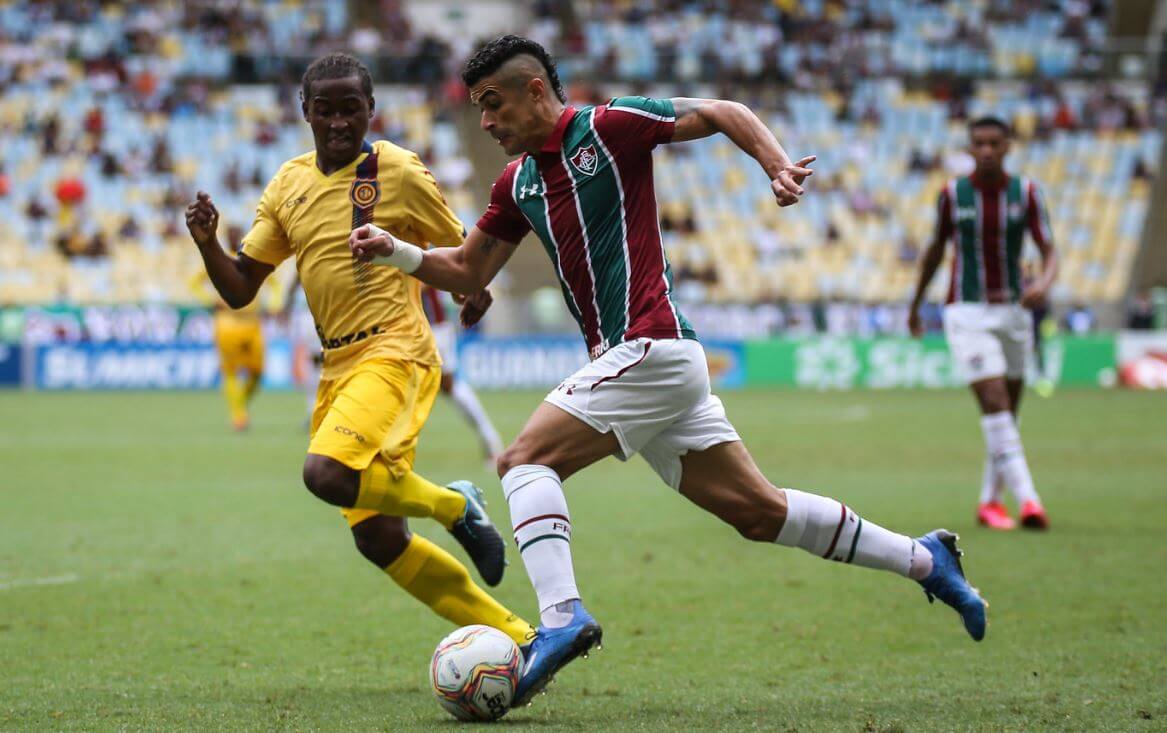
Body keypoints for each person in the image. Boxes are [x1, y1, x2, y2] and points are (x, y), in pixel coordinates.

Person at [350, 35, 987, 708]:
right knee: (757, 510)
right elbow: (470, 270)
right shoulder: (518, 182)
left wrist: (775, 166)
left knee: (523, 462)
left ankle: (562, 617)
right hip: (641, 363)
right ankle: (925, 559)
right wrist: (399, 252)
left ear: (534, 90)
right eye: (477, 108)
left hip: (649, 347)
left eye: (492, 103)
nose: (484, 121)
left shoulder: (608, 127)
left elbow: (720, 110)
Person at [185, 52, 534, 651]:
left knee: (325, 473)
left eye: (352, 109)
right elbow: (241, 286)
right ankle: (521, 636)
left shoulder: (397, 170)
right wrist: (208, 244)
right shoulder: (289, 184)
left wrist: (476, 291)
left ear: (371, 110)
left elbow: (465, 248)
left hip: (395, 352)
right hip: (336, 367)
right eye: (326, 111)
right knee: (378, 539)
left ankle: (453, 506)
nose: (340, 122)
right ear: (306, 113)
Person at [909, 116, 1057, 532]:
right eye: (979, 143)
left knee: (1007, 412)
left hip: (1014, 311)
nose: (987, 150)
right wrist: (916, 303)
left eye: (994, 143)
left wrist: (1043, 283)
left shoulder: (1026, 192)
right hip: (966, 310)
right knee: (994, 402)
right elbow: (936, 250)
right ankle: (1029, 500)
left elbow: (1050, 249)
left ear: (1008, 146)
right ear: (970, 148)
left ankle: (990, 502)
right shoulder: (953, 195)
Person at [191, 225, 267, 431]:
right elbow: (194, 284)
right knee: (231, 371)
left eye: (238, 234)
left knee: (258, 372)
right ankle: (238, 415)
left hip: (252, 322)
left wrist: (275, 303)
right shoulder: (220, 259)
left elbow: (275, 283)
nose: (235, 237)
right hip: (227, 321)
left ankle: (239, 403)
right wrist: (209, 300)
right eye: (231, 235)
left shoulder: (254, 257)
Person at [422, 285, 505, 466]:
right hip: (423, 328)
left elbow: (421, 281)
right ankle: (490, 440)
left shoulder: (417, 256)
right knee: (445, 387)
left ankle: (490, 439)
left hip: (431, 330)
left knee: (449, 386)